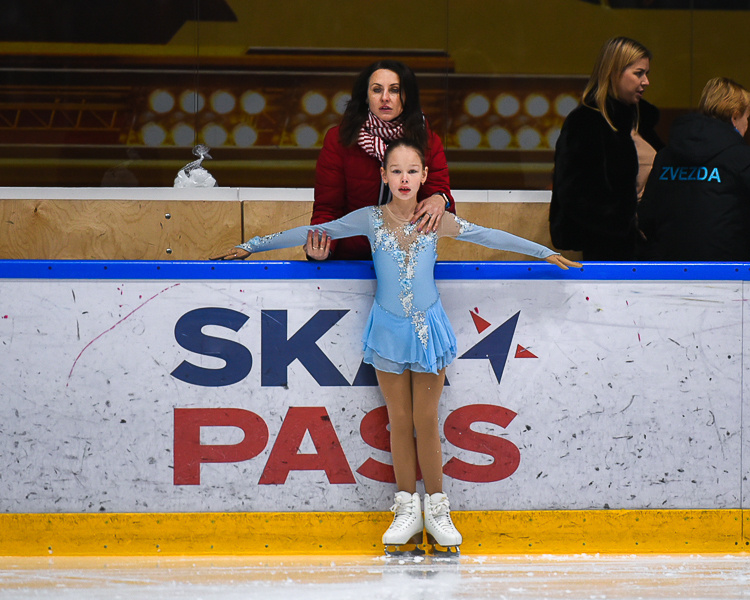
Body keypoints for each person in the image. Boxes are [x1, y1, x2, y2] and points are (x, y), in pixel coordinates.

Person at [213, 139, 581, 555]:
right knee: (398, 421)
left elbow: (490, 236)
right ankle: (407, 508)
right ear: (383, 176)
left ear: (425, 177)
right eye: (397, 171)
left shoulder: (435, 220)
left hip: (427, 331)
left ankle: (438, 511)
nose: (404, 179)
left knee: (426, 421)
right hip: (388, 330)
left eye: (412, 171)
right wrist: (253, 244)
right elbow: (317, 231)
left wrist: (543, 252)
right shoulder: (370, 219)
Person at [637, 77, 750, 261]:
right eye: (747, 117)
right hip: (725, 274)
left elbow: (646, 217)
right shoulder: (741, 157)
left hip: (667, 270)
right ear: (734, 117)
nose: (747, 125)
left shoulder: (666, 156)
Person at [308, 59, 456, 261]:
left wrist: (440, 199)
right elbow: (328, 209)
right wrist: (322, 248)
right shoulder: (339, 140)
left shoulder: (428, 140)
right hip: (351, 261)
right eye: (377, 90)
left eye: (394, 90)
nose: (385, 98)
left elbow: (442, 197)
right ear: (366, 97)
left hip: (408, 261)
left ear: (407, 96)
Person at [550, 36, 663, 261]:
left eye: (647, 74)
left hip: (649, 247)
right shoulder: (586, 123)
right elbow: (574, 192)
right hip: (611, 252)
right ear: (614, 72)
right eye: (638, 73)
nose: (646, 82)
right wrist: (624, 225)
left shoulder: (642, 123)